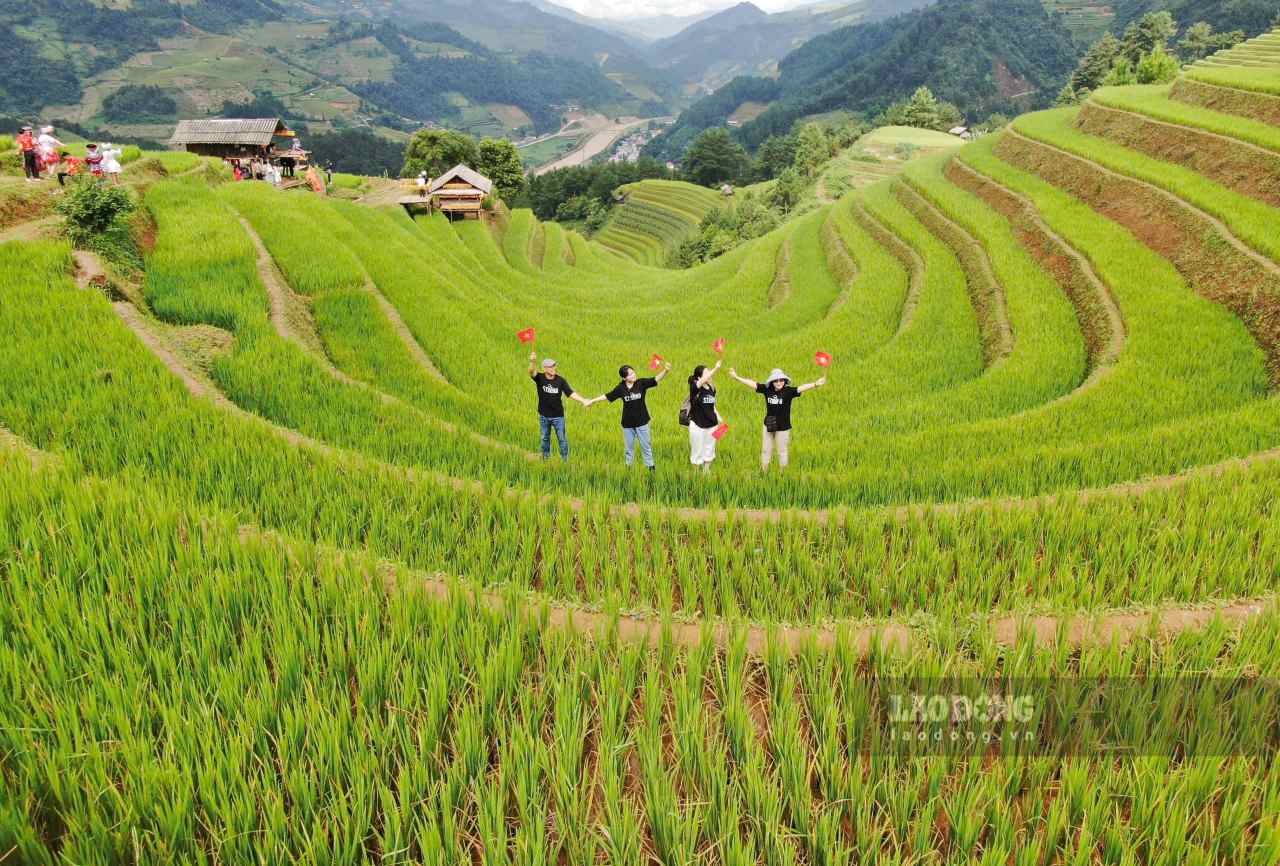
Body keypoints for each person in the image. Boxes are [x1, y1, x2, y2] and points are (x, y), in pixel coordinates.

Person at [728, 367, 826, 471]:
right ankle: (764, 471)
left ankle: (782, 474)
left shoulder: (789, 391)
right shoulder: (767, 389)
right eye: (776, 380)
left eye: (781, 380)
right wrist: (737, 377)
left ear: (784, 381)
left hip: (783, 426)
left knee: (782, 451)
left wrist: (815, 384)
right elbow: (753, 384)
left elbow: (801, 388)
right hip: (769, 424)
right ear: (772, 382)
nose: (779, 382)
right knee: (766, 450)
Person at [586, 361, 671, 472]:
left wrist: (666, 371)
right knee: (629, 449)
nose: (634, 375)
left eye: (633, 372)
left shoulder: (641, 383)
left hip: (642, 422)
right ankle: (628, 470)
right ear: (624, 378)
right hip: (627, 424)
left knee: (646, 447)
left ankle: (651, 469)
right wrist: (592, 401)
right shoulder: (621, 388)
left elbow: (655, 379)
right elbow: (607, 396)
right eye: (630, 374)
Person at [528, 351, 590, 461]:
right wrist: (532, 361)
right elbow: (531, 372)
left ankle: (564, 460)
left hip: (558, 417)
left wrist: (583, 400)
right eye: (551, 367)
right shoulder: (540, 378)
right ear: (545, 368)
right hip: (544, 416)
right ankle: (545, 459)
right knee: (545, 438)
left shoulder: (560, 380)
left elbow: (570, 393)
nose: (554, 368)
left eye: (554, 366)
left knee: (562, 439)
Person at [687, 360, 723, 472]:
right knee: (697, 449)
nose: (710, 375)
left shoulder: (712, 388)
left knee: (710, 449)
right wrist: (716, 368)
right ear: (699, 378)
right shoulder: (695, 388)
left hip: (712, 424)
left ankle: (706, 471)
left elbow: (712, 406)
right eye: (706, 373)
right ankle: (696, 473)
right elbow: (700, 382)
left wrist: (719, 417)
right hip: (697, 425)